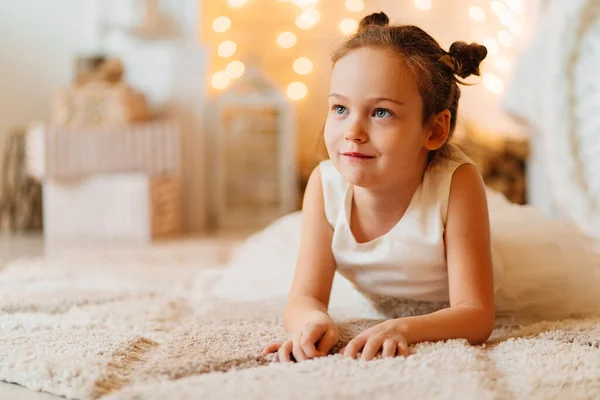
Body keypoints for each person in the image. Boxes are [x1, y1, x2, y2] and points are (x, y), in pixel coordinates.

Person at [262, 12, 600, 363]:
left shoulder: (457, 183)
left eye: (381, 113)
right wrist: (313, 321)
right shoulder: (325, 184)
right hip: (382, 296)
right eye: (340, 108)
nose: (353, 131)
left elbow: (476, 315)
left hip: (467, 295)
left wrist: (404, 328)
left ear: (435, 130)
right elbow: (304, 298)